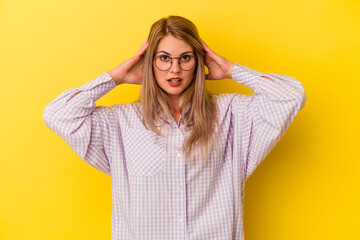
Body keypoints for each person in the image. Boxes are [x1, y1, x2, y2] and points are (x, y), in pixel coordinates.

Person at [43, 15, 306, 240]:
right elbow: (58, 114)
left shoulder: (231, 115)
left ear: (199, 61)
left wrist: (230, 69)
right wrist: (117, 76)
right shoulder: (121, 123)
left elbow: (291, 96)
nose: (175, 69)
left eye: (186, 58)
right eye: (164, 58)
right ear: (150, 62)